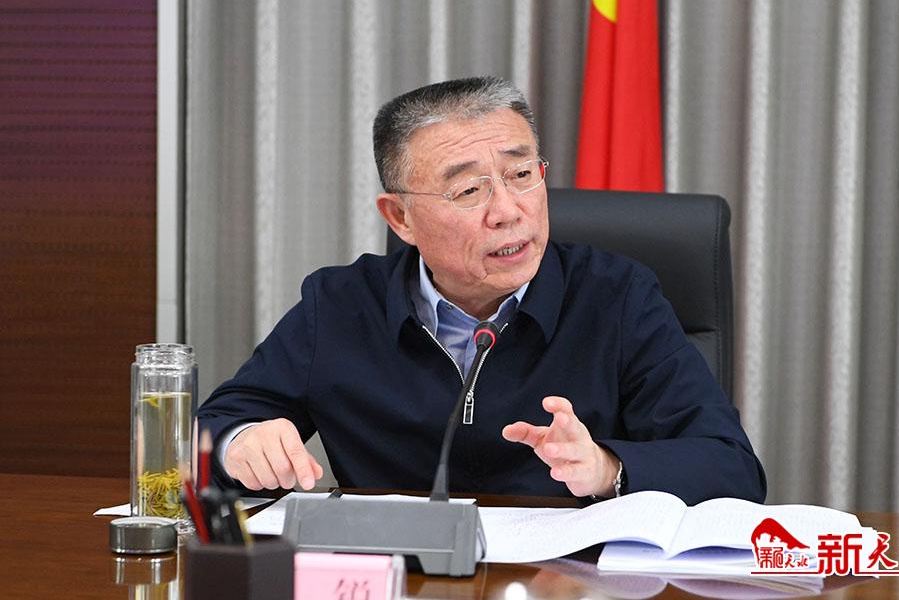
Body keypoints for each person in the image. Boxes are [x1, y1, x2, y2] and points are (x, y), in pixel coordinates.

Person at [196, 76, 766, 504]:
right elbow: (210, 430)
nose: (509, 211)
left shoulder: (617, 298)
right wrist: (241, 443)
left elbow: (731, 466)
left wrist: (606, 467)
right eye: (469, 190)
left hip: (566, 583)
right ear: (400, 218)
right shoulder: (341, 306)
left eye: (522, 175)